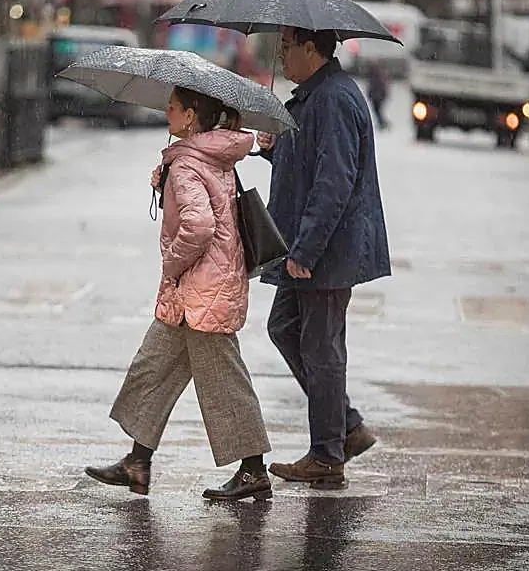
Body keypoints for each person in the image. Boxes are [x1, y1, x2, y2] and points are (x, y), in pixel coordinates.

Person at [85, 86, 273, 501]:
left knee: (224, 382)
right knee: (153, 369)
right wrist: (165, 184)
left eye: (172, 106)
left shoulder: (189, 164)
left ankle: (254, 471)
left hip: (200, 290)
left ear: (190, 117)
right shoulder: (206, 156)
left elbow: (200, 226)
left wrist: (171, 262)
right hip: (197, 292)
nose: (165, 110)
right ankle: (137, 463)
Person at [255, 27, 391, 488]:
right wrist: (275, 150)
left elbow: (334, 180)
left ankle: (328, 454)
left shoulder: (333, 98)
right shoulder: (314, 96)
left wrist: (306, 250)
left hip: (327, 248)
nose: (281, 55)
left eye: (287, 46)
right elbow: (310, 163)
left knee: (322, 347)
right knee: (285, 328)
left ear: (311, 49)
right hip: (309, 242)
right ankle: (346, 427)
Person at [366, 61, 390, 130]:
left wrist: (371, 94)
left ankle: (383, 123)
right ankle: (382, 123)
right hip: (377, 96)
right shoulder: (379, 75)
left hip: (377, 96)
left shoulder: (376, 76)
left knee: (377, 110)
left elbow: (374, 86)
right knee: (377, 111)